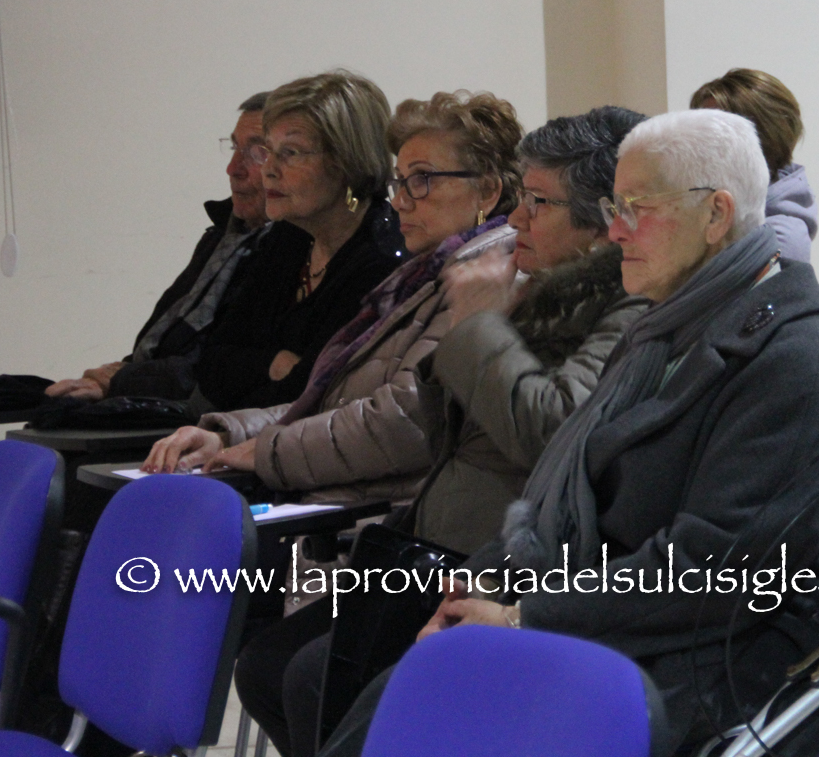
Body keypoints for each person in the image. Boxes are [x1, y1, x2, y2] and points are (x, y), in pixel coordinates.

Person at [317, 108, 819, 757]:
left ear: (716, 214)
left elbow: (710, 574)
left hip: (713, 658)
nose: (614, 229)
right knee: (405, 692)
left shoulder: (793, 360)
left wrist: (522, 617)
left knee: (452, 705)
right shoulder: (661, 329)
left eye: (637, 208)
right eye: (614, 206)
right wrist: (481, 583)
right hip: (611, 620)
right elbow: (561, 490)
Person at [226, 106, 652, 757]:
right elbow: (418, 413)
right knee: (266, 665)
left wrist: (479, 326)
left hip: (497, 559)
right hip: (426, 542)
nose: (517, 218)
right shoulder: (514, 282)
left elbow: (551, 432)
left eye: (538, 203)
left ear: (601, 222)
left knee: (310, 677)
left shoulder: (625, 303)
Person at [142, 89, 522, 495]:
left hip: (395, 515)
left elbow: (403, 423)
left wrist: (269, 451)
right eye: (400, 181)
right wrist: (229, 435)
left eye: (421, 180)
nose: (400, 201)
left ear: (487, 192)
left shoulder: (490, 278)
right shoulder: (421, 277)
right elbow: (331, 402)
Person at [190, 70, 407, 411]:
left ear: (346, 162)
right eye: (268, 151)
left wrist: (253, 373)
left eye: (290, 152)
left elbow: (310, 398)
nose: (268, 170)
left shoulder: (380, 260)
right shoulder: (288, 237)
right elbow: (212, 366)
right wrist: (272, 363)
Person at [44, 92, 273, 401]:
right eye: (234, 148)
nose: (233, 168)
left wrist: (121, 381)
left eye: (257, 152)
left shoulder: (288, 253)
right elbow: (167, 342)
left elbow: (220, 370)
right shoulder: (223, 234)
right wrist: (121, 374)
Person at [691, 67, 816, 262]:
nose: (697, 146)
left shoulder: (779, 241)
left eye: (713, 135)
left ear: (765, 139)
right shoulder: (710, 205)